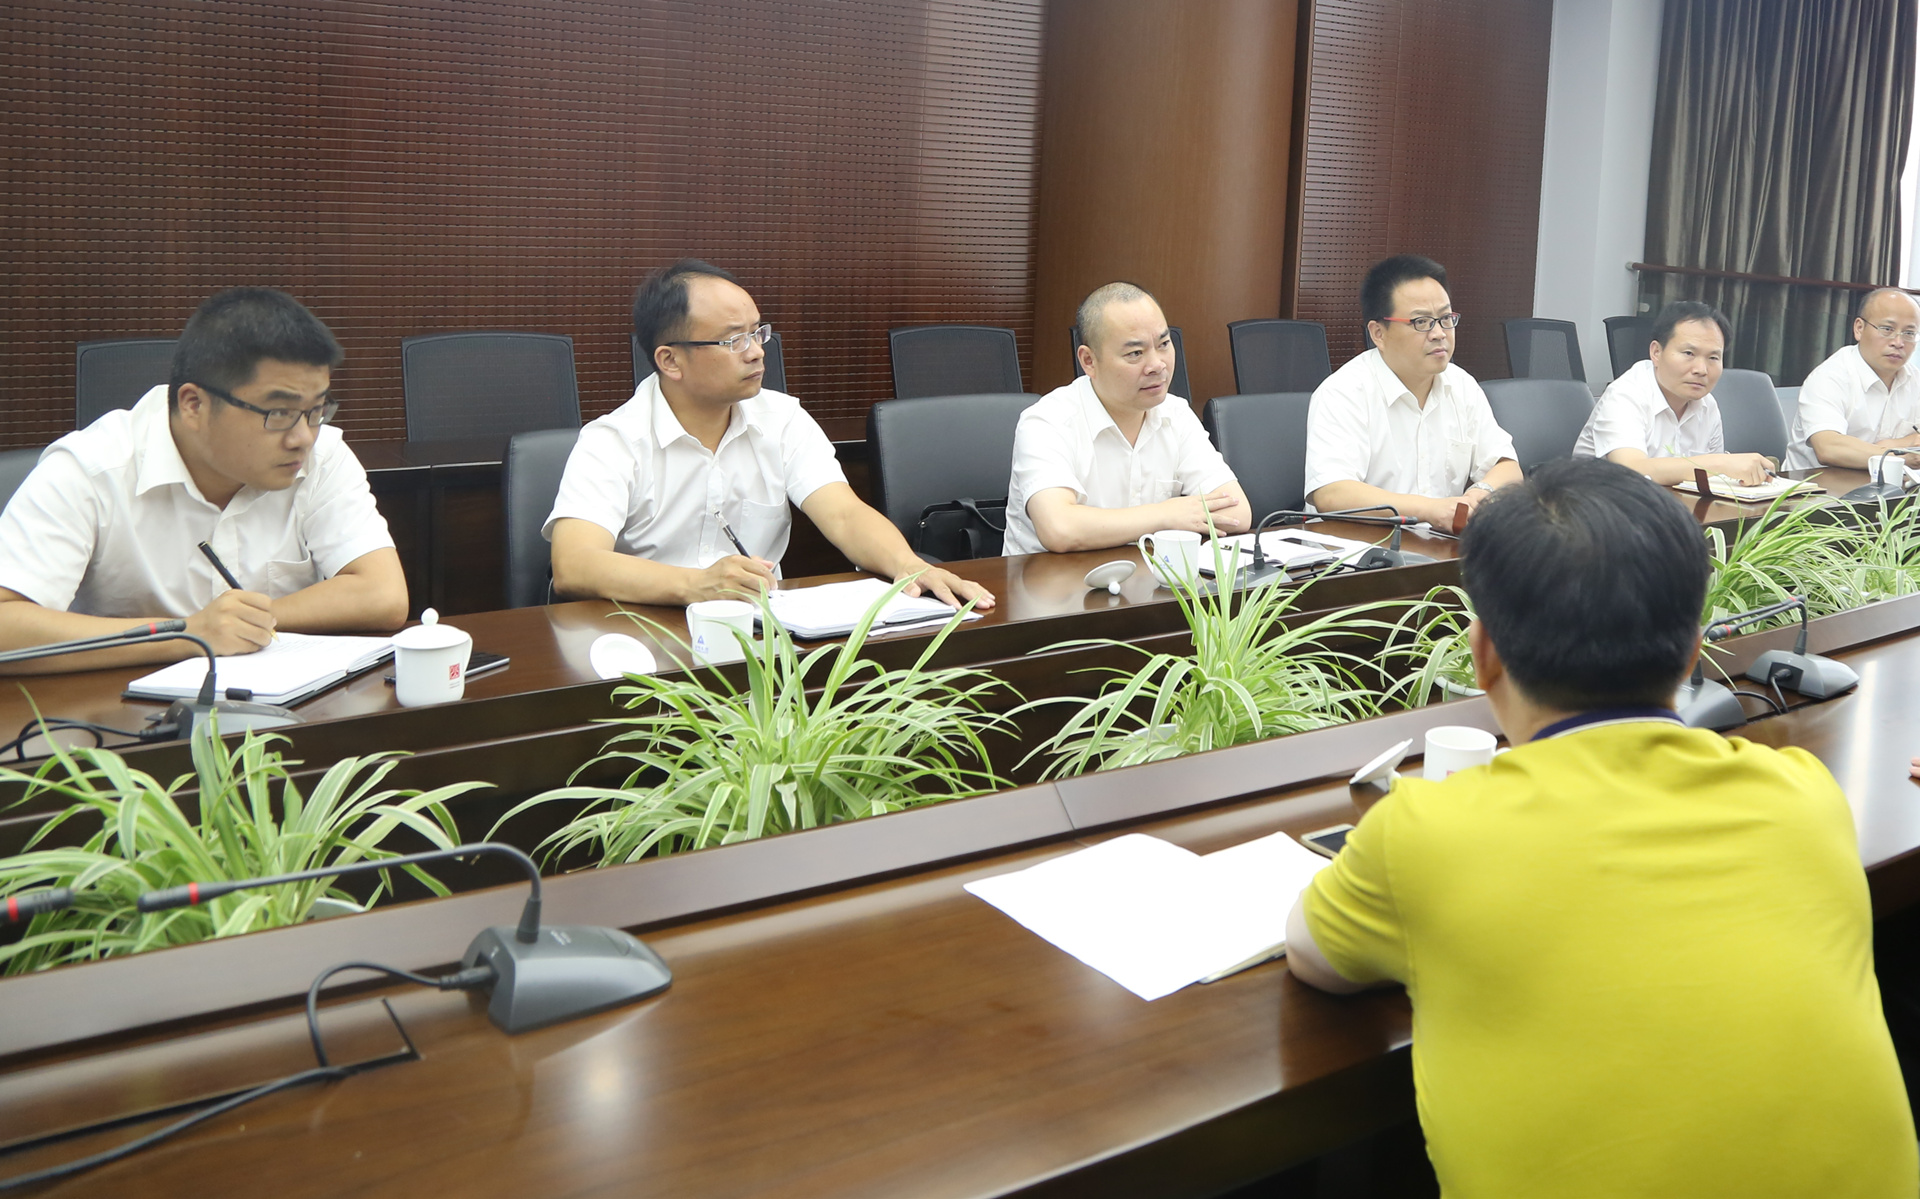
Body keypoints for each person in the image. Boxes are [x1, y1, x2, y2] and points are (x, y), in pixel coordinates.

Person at [1286, 456, 1915, 1197]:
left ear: (1483, 654)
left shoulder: (1422, 832)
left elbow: (1312, 955)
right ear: (1693, 650)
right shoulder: (1804, 795)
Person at [0, 288, 406, 673]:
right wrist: (188, 634)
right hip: (117, 710)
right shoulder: (91, 470)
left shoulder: (323, 456)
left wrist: (243, 622)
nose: (303, 437)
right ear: (194, 404)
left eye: (316, 410)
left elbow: (383, 594)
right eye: (279, 412)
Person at [548, 260, 992, 609]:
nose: (757, 352)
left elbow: (843, 514)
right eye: (733, 341)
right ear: (670, 361)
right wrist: (696, 585)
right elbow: (574, 564)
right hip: (646, 638)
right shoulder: (613, 440)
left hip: (761, 634)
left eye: (757, 332)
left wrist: (908, 566)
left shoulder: (782, 418)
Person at [1003, 282, 1249, 555]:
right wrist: (1166, 515)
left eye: (1164, 344)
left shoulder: (1176, 414)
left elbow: (1237, 512)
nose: (1157, 365)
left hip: (1147, 578)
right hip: (1048, 580)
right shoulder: (1047, 422)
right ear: (1089, 361)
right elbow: (1059, 529)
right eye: (1135, 353)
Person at [1303, 255, 1521, 526]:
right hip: (1355, 544)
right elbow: (1332, 493)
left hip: (1438, 542)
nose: (1439, 333)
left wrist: (1481, 492)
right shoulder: (1343, 392)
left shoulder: (1461, 385)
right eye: (1421, 322)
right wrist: (1430, 510)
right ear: (1378, 333)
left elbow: (1507, 467)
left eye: (1445, 318)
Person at [1573, 299, 1773, 485]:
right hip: (1597, 505)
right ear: (1656, 352)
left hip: (1670, 505)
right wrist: (1720, 464)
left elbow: (1712, 482)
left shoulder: (1707, 405)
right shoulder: (1625, 395)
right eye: (1689, 353)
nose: (1701, 369)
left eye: (1713, 358)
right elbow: (1632, 471)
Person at [1787, 287, 1920, 471]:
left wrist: (1895, 444)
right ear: (1859, 328)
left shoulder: (1915, 379)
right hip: (1819, 486)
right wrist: (1900, 457)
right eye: (1887, 329)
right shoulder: (1830, 377)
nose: (1898, 342)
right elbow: (1829, 448)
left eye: (1909, 333)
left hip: (1892, 485)